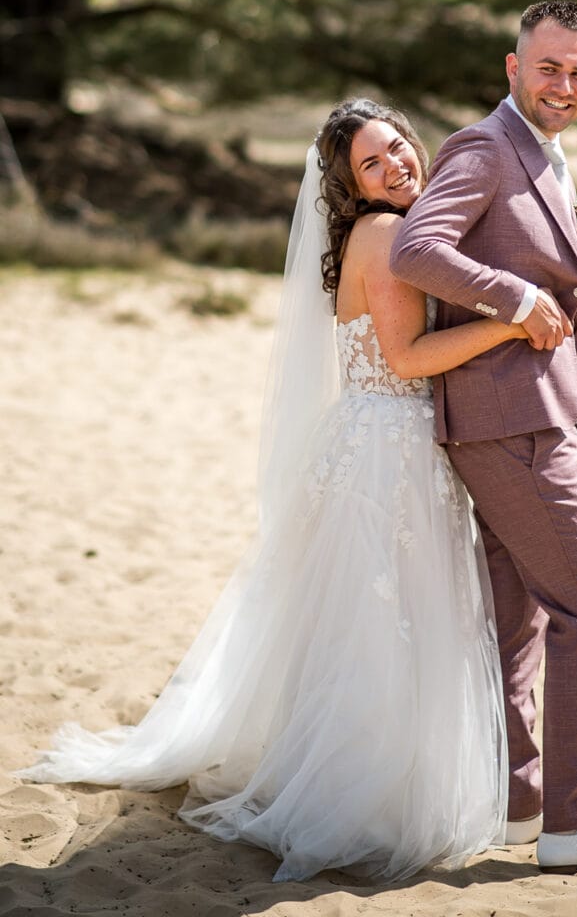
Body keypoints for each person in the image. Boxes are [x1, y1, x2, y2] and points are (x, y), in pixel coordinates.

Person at [19, 98, 537, 883]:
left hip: (370, 442)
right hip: (389, 452)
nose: (396, 163)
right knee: (386, 627)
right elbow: (404, 358)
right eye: (373, 162)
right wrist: (511, 318)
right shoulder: (388, 233)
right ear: (353, 186)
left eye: (398, 145)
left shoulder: (396, 227)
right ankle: (368, 798)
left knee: (365, 624)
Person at [390, 0, 577, 873]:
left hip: (544, 419)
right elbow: (416, 249)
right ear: (512, 67)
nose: (565, 85)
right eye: (550, 67)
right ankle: (575, 821)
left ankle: (522, 802)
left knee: (519, 619)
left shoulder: (545, 157)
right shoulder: (485, 147)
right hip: (508, 421)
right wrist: (514, 299)